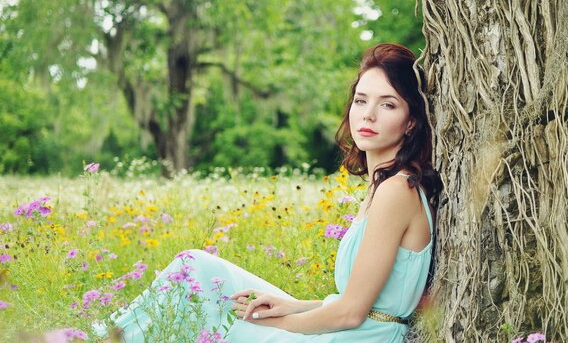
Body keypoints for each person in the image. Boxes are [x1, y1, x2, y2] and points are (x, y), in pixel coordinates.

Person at [93, 43, 443, 342]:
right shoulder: (386, 184)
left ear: (411, 120)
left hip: (353, 338)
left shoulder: (397, 190)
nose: (367, 115)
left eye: (388, 104)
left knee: (214, 313)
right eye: (361, 100)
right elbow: (361, 303)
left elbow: (352, 314)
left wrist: (276, 322)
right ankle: (105, 334)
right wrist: (292, 305)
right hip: (352, 329)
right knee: (195, 267)